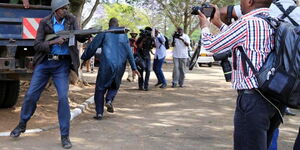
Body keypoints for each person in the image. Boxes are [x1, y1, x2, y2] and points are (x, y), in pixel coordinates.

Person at [198, 0, 286, 149]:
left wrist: (205, 26)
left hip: (253, 99)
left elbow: (212, 45)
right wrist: (219, 23)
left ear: (249, 1)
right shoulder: (275, 21)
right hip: (275, 99)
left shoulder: (246, 22)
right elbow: (239, 38)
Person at [10, 0, 86, 149]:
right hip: (44, 63)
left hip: (62, 65)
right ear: (56, 10)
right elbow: (37, 45)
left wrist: (85, 36)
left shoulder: (71, 20)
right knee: (31, 95)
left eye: (67, 8)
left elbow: (79, 37)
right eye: (63, 8)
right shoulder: (45, 22)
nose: (66, 10)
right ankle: (22, 124)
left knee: (63, 98)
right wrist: (54, 42)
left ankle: (65, 136)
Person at [81, 18, 140, 120]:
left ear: (109, 25)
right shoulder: (124, 36)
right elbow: (129, 53)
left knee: (100, 88)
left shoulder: (104, 33)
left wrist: (83, 59)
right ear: (118, 25)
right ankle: (108, 100)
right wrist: (134, 67)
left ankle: (99, 113)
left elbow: (92, 47)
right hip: (120, 66)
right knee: (114, 86)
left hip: (106, 65)